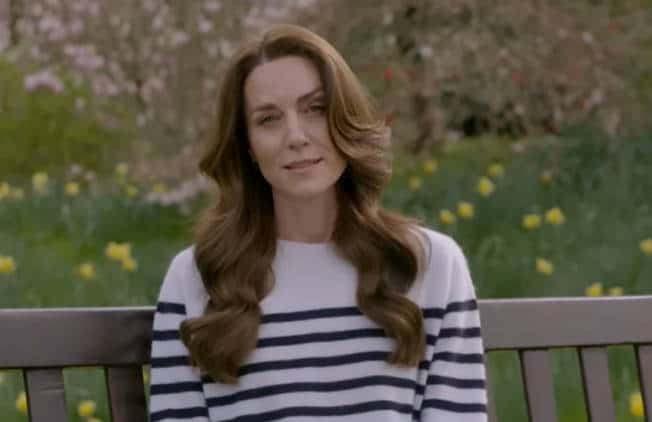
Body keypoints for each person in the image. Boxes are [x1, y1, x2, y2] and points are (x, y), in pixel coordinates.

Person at [148, 23, 488, 422]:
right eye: (268, 119)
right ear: (247, 146)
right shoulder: (196, 278)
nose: (296, 136)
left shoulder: (428, 264)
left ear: (344, 118)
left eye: (315, 109)